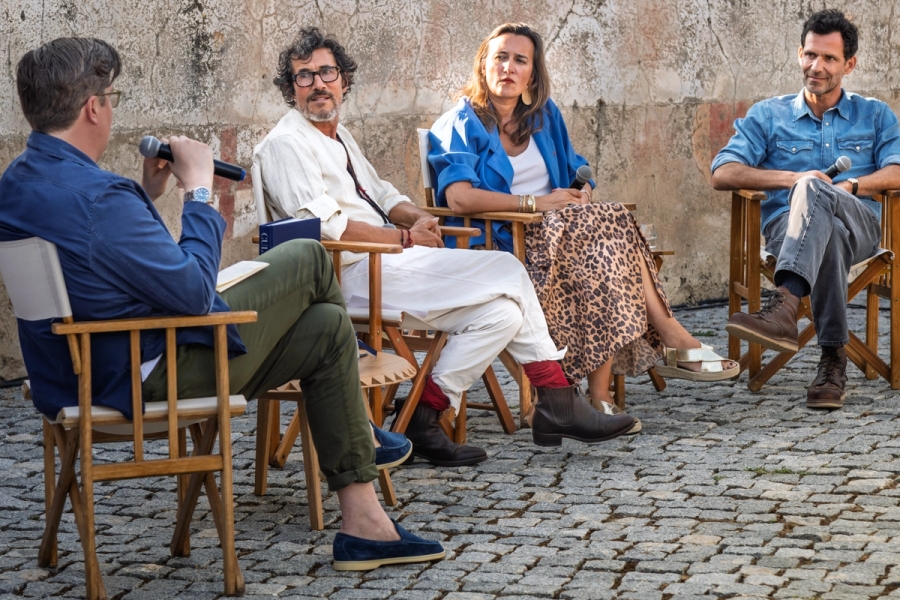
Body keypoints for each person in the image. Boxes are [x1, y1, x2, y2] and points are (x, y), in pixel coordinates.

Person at [0, 36, 445, 571]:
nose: (112, 109)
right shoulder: (99, 198)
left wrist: (145, 196)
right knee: (305, 256)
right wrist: (199, 193)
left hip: (74, 373)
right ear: (94, 107)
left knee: (327, 327)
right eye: (111, 97)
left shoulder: (21, 181)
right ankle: (361, 435)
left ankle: (364, 525)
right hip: (141, 375)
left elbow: (101, 261)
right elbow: (192, 293)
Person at [253, 27, 636, 455]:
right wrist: (403, 236)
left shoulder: (337, 136)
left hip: (387, 264)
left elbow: (382, 194)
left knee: (503, 313)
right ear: (291, 89)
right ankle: (558, 399)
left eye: (327, 73)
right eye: (305, 77)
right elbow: (326, 228)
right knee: (508, 269)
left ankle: (423, 416)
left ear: (344, 80)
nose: (319, 84)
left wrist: (418, 218)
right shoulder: (286, 144)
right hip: (343, 277)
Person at [427, 23, 739, 425]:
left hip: (566, 238)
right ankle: (668, 341)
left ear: (532, 75)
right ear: (483, 65)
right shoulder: (460, 123)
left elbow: (578, 168)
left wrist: (582, 191)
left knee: (602, 252)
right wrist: (539, 203)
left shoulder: (543, 117)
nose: (508, 67)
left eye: (520, 60)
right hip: (504, 246)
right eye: (500, 57)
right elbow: (459, 197)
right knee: (607, 236)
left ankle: (600, 397)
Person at [711, 9, 900, 409]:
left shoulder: (875, 114)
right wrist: (790, 179)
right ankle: (833, 362)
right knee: (824, 227)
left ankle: (786, 303)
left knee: (825, 202)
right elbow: (722, 172)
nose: (817, 66)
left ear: (849, 64)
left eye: (829, 58)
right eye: (811, 55)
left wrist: (852, 185)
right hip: (788, 230)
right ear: (800, 53)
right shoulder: (768, 115)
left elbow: (898, 169)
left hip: (860, 225)